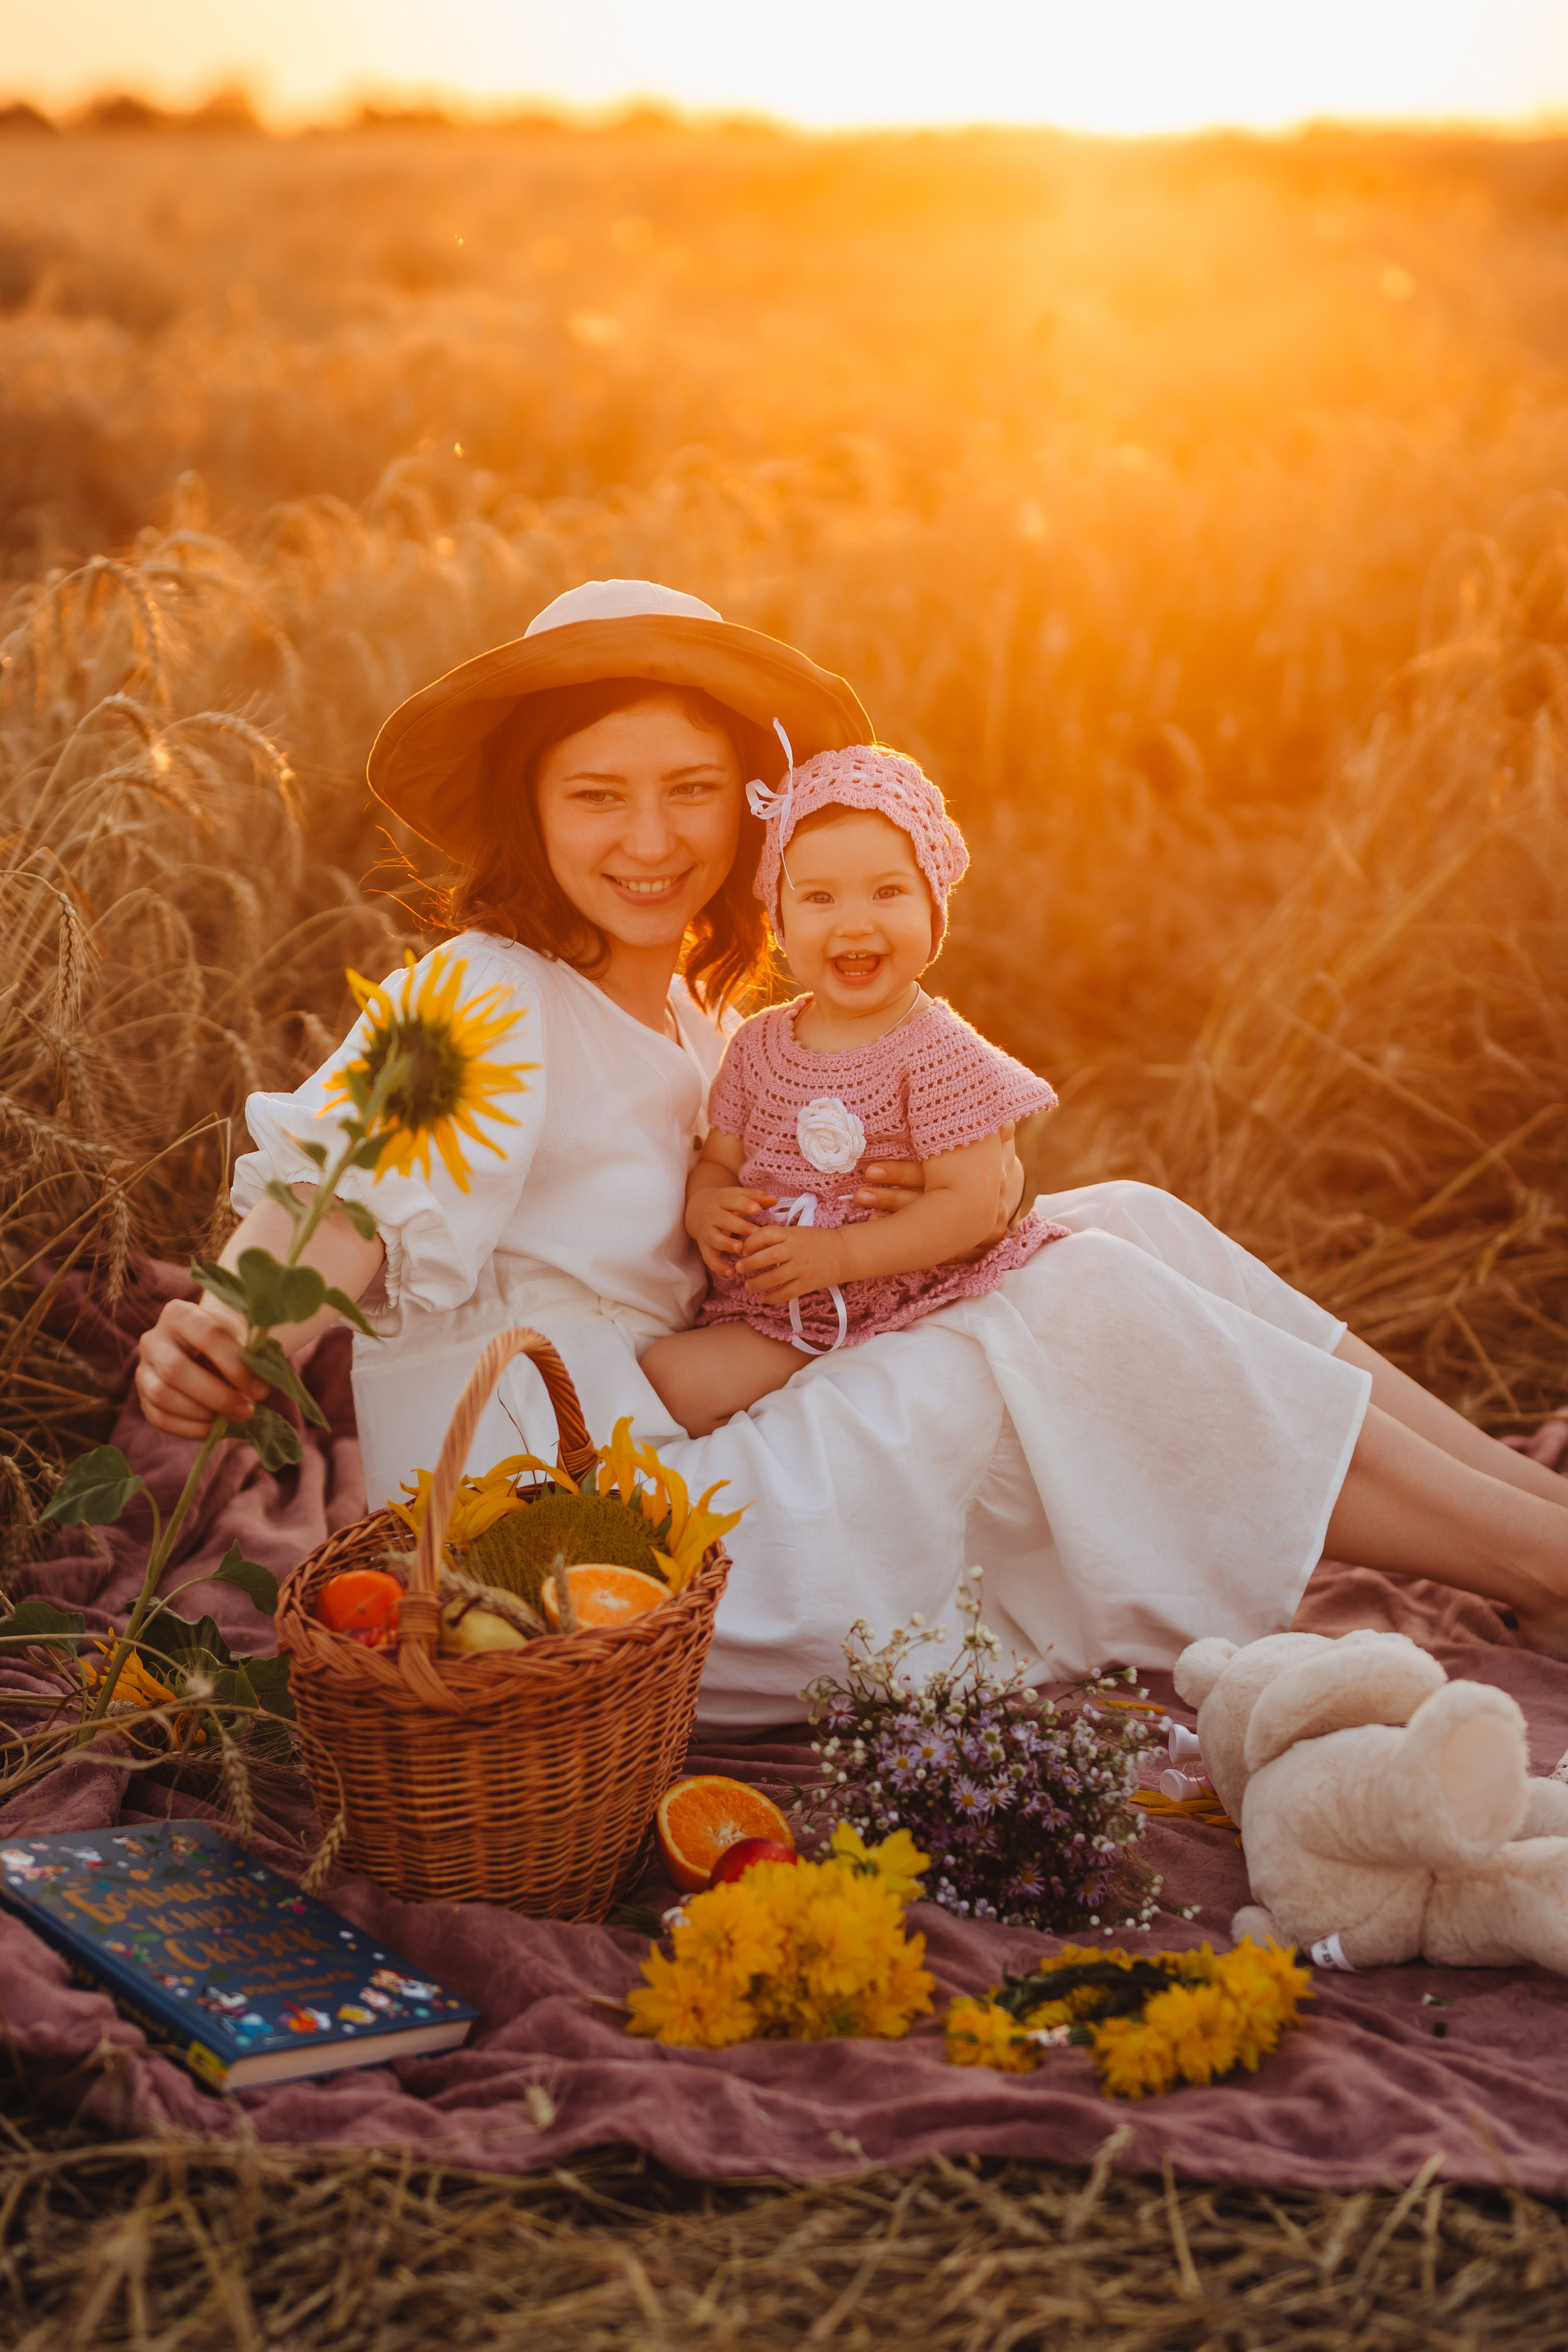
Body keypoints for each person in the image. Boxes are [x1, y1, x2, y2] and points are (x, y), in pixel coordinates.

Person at [135, 579, 1568, 1728]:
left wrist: (886, 1241)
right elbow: (344, 1188)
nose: (650, 839)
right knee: (1082, 1301)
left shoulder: (705, 1024)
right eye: (595, 795)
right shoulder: (483, 990)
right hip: (561, 1549)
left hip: (683, 1439)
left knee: (1126, 1215)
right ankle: (1541, 1563)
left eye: (691, 790)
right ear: (531, 808)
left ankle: (1539, 1524)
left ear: (751, 813)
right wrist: (237, 1326)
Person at [641, 744, 1069, 1436]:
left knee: (691, 1386)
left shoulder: (937, 1052)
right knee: (668, 1381)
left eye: (888, 892)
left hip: (890, 1295)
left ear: (935, 907)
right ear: (778, 919)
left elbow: (970, 1208)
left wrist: (839, 1257)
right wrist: (707, 1209)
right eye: (818, 897)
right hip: (776, 1309)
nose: (854, 922)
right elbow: (717, 1159)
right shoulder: (758, 1045)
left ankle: (853, 1397)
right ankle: (808, 1413)